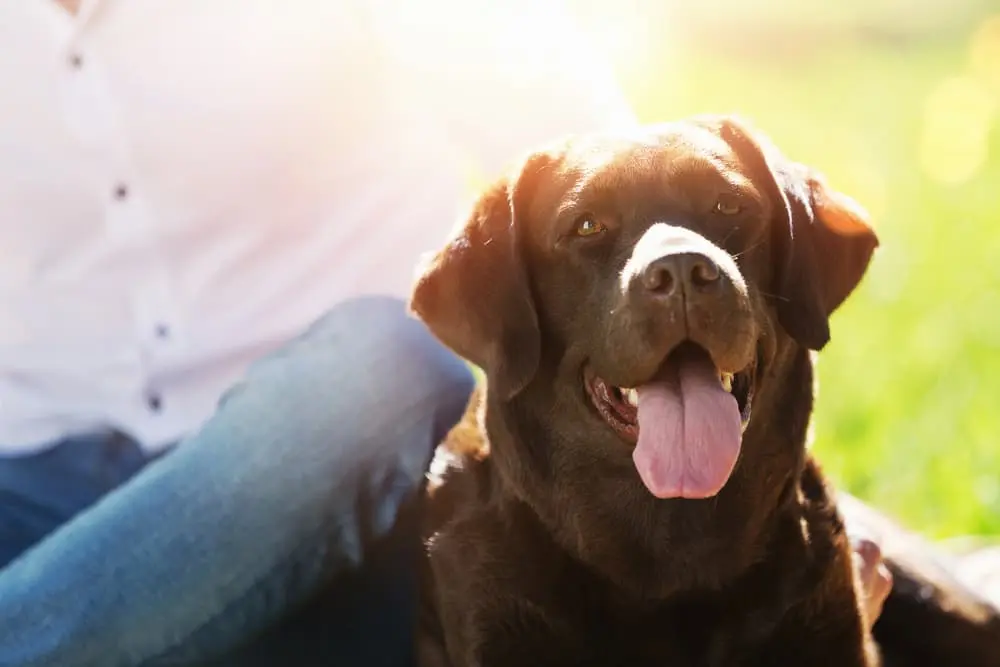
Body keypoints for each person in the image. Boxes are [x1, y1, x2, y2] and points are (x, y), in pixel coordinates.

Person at [0, 1, 891, 666]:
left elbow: (609, 176)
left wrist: (779, 489)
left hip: (335, 476)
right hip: (27, 485)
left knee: (380, 362)